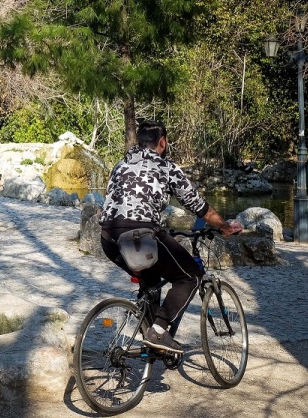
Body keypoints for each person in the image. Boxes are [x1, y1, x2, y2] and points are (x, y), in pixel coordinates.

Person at [99, 120, 242, 354]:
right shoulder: (166, 167)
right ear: (162, 142)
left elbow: (117, 200)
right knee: (190, 276)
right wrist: (225, 226)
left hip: (109, 237)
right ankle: (159, 330)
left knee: (151, 281)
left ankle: (151, 344)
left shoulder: (120, 165)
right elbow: (197, 205)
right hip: (141, 234)